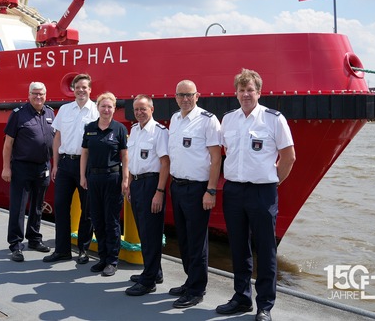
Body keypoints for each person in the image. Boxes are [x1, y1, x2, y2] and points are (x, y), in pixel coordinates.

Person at [216, 69, 295, 321]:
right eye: (242, 90)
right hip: (234, 190)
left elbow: (289, 156)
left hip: (262, 191)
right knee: (238, 246)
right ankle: (241, 297)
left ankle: (265, 305)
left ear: (259, 92)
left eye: (250, 90)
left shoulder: (274, 119)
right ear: (236, 93)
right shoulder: (228, 119)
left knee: (265, 248)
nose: (246, 94)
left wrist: (273, 182)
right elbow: (224, 151)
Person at [166, 80, 222, 309]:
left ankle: (197, 289)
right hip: (177, 186)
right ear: (176, 97)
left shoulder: (208, 120)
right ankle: (190, 280)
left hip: (198, 188)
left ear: (197, 95)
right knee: (184, 238)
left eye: (189, 95)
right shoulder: (175, 119)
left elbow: (216, 158)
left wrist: (211, 190)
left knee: (197, 241)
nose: (185, 99)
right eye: (181, 95)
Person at [43, 73, 98, 264]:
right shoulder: (65, 110)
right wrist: (55, 165)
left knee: (87, 209)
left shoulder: (97, 111)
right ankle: (62, 250)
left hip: (87, 166)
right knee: (60, 206)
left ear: (90, 90)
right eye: (78, 87)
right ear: (73, 90)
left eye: (85, 87)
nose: (81, 90)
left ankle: (83, 250)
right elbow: (57, 138)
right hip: (66, 164)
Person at [1, 82, 55, 262]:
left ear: (45, 95)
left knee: (38, 206)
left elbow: (54, 140)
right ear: (29, 94)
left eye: (41, 94)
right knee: (18, 206)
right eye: (35, 94)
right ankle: (16, 244)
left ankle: (34, 238)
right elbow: (8, 143)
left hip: (43, 167)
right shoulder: (18, 115)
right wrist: (6, 167)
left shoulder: (50, 112)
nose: (38, 97)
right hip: (22, 167)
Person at [124, 94, 169, 296]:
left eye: (143, 109)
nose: (139, 113)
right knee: (143, 231)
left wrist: (159, 192)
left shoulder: (159, 132)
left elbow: (165, 163)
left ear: (152, 109)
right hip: (137, 183)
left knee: (151, 233)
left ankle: (148, 281)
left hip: (152, 184)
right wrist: (129, 184)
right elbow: (132, 160)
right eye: (136, 110)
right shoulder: (134, 130)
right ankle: (154, 271)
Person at [80, 92, 129, 277]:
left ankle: (112, 260)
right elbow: (84, 153)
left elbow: (125, 155)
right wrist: (82, 176)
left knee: (111, 221)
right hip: (94, 179)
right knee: (97, 220)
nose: (106, 109)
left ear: (114, 109)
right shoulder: (90, 128)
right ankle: (102, 258)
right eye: (103, 106)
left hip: (112, 179)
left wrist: (125, 179)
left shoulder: (119, 129)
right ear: (98, 107)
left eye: (110, 106)